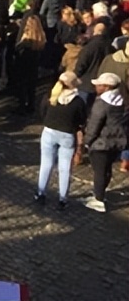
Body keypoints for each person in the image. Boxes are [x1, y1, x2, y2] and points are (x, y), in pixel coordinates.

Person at [34, 72, 87, 211]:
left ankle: (40, 194)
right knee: (65, 169)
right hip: (67, 135)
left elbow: (42, 111)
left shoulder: (50, 96)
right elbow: (81, 120)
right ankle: (63, 199)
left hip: (49, 132)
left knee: (46, 164)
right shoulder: (78, 101)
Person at [84, 73, 127, 213]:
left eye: (99, 84)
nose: (96, 86)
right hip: (116, 142)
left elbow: (94, 125)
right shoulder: (123, 100)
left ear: (107, 87)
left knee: (100, 172)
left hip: (101, 143)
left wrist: (87, 141)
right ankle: (100, 194)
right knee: (107, 170)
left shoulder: (101, 103)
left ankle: (98, 199)